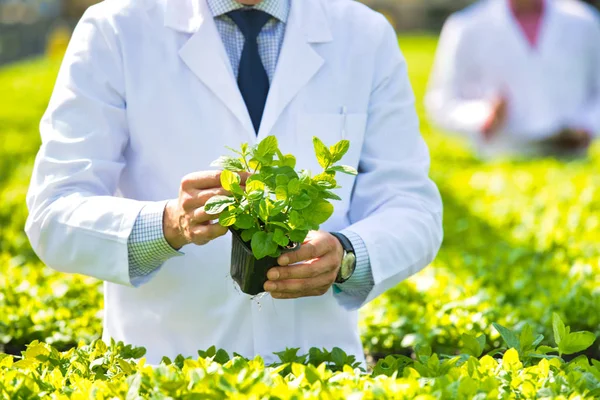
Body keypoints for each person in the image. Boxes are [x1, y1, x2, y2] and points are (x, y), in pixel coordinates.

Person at [25, 0, 443, 364]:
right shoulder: (115, 29)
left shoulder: (364, 35)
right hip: (166, 368)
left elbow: (412, 205)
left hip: (318, 371)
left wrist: (347, 257)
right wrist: (168, 224)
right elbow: (53, 211)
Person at [425, 0, 600, 159]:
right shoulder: (466, 25)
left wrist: (586, 125)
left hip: (572, 157)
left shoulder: (585, 21)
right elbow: (440, 102)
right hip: (500, 160)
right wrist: (484, 115)